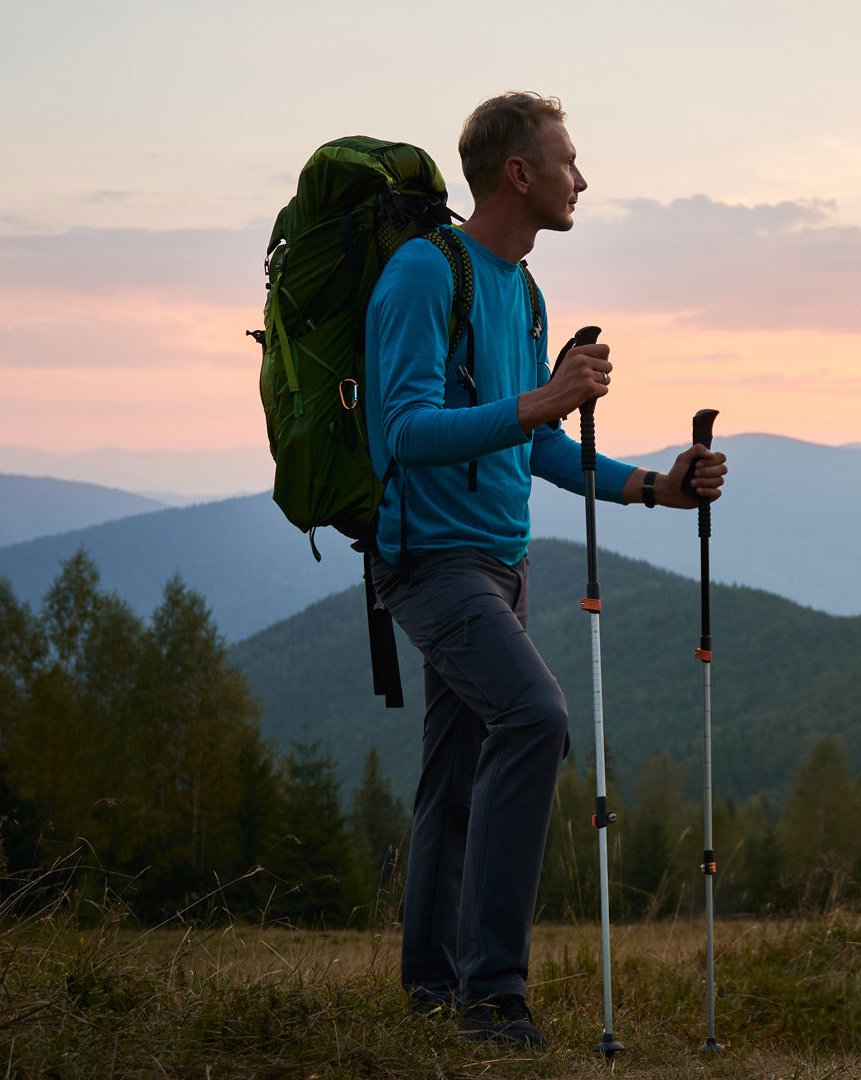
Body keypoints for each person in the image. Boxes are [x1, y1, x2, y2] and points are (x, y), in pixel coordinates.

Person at [364, 91, 726, 1046]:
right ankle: (494, 993)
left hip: (503, 566)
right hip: (431, 562)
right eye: (569, 161)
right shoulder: (420, 274)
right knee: (536, 718)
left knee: (457, 779)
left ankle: (431, 991)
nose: (582, 179)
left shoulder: (521, 292)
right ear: (519, 173)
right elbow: (400, 433)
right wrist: (543, 399)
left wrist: (658, 486)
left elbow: (536, 447)